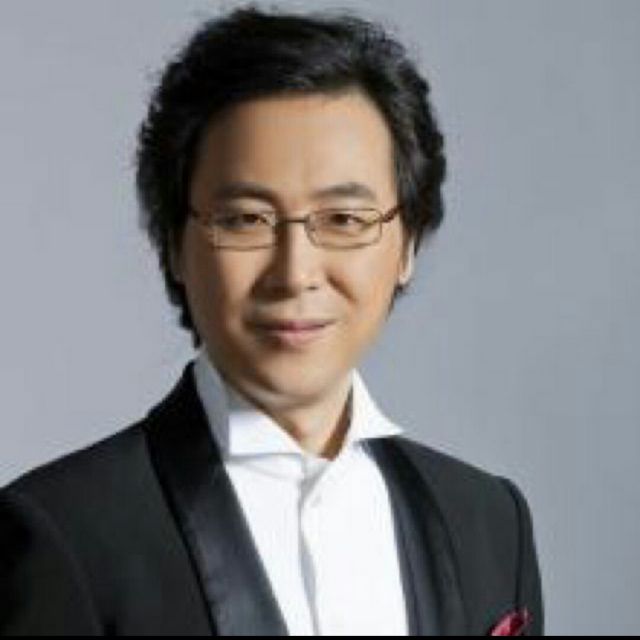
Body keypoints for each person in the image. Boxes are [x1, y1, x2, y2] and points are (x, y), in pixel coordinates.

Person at [0, 4, 544, 636]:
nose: (295, 273)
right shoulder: (63, 536)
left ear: (409, 245)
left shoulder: (490, 522)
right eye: (245, 220)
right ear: (173, 243)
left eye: (344, 220)